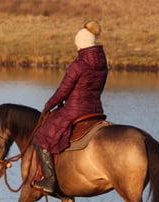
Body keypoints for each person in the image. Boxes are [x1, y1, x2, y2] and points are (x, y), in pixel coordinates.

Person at [32, 20, 108, 193]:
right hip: (96, 110)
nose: (77, 48)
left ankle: (50, 181)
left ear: (81, 44)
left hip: (74, 110)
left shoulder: (78, 65)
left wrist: (48, 106)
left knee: (42, 136)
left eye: (77, 45)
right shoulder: (102, 63)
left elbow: (63, 91)